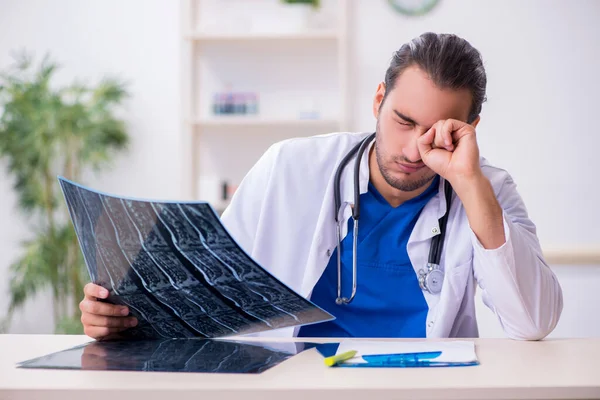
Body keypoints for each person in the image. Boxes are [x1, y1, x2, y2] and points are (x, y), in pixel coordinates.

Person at [79, 32, 563, 341]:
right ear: (378, 99)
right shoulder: (291, 167)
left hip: (423, 390)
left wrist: (469, 182)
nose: (415, 151)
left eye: (438, 132)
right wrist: (122, 320)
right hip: (301, 389)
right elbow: (203, 292)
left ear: (471, 127)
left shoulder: (486, 189)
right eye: (403, 121)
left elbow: (534, 321)